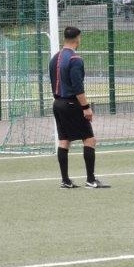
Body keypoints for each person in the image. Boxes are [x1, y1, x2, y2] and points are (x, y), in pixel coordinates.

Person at [49, 26, 109, 189]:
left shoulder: (54, 58)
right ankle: (91, 179)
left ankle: (65, 180)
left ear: (64, 38)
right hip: (71, 104)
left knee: (64, 140)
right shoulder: (75, 59)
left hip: (58, 104)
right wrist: (86, 107)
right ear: (77, 38)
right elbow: (77, 87)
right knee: (89, 139)